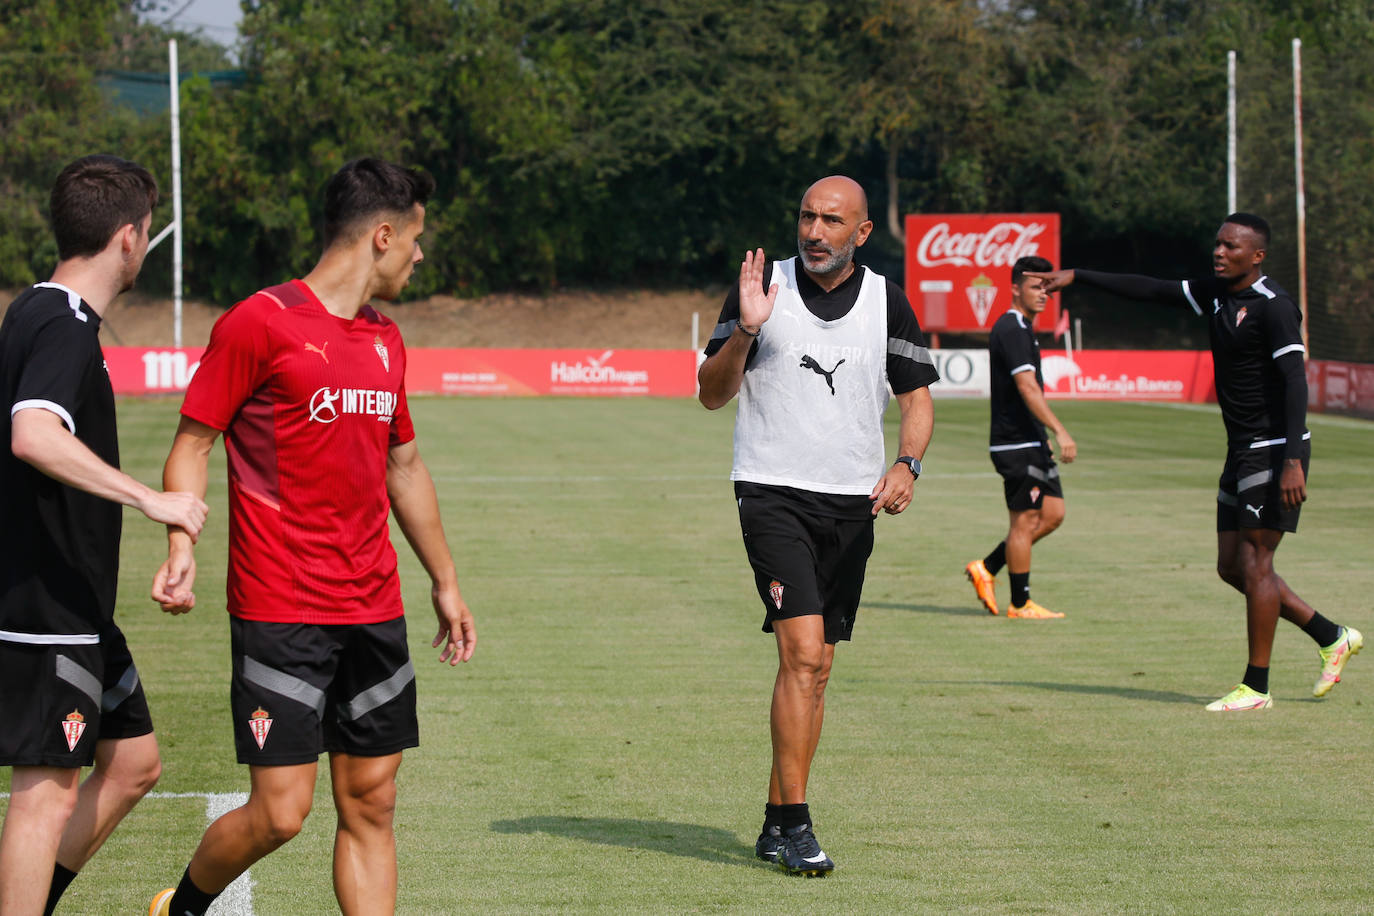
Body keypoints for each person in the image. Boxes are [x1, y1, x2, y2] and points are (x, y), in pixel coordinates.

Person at [147, 158, 477, 916]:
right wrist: (181, 544)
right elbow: (194, 444)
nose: (420, 256)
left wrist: (445, 578)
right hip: (280, 607)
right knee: (281, 813)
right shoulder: (258, 322)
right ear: (383, 235)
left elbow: (405, 465)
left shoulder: (388, 341)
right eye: (416, 239)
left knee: (372, 803)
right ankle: (186, 907)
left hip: (374, 606)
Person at [698, 176, 938, 875]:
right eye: (807, 216)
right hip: (771, 492)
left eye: (832, 220)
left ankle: (776, 818)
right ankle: (798, 826)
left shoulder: (887, 300)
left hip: (852, 501)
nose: (814, 231)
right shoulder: (760, 288)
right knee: (801, 653)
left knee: (820, 666)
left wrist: (908, 465)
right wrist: (746, 326)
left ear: (862, 232)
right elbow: (712, 396)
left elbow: (917, 400)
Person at [1031, 212, 1360, 711]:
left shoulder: (1275, 307)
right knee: (1232, 568)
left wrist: (1293, 459)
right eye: (1217, 243)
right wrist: (1079, 276)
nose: (1219, 251)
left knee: (1257, 564)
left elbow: (1296, 382)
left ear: (1257, 256)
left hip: (1275, 452)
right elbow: (1150, 289)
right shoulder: (1215, 293)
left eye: (1231, 246)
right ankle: (1331, 635)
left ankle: (1257, 687)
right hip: (1241, 449)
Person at [0, 154, 209, 916]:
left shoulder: (39, 310)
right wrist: (151, 501)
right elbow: (33, 434)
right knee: (42, 797)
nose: (145, 248)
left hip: (79, 610)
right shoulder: (59, 322)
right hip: (42, 611)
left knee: (133, 762)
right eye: (148, 234)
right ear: (128, 237)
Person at [964, 256, 1076, 619]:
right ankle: (1020, 602)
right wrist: (1059, 431)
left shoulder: (1024, 328)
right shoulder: (1011, 328)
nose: (1043, 293)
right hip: (1015, 444)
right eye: (1034, 286)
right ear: (1014, 288)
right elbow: (1027, 388)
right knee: (1024, 523)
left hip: (1031, 441)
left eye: (1047, 286)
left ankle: (988, 566)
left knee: (1053, 514)